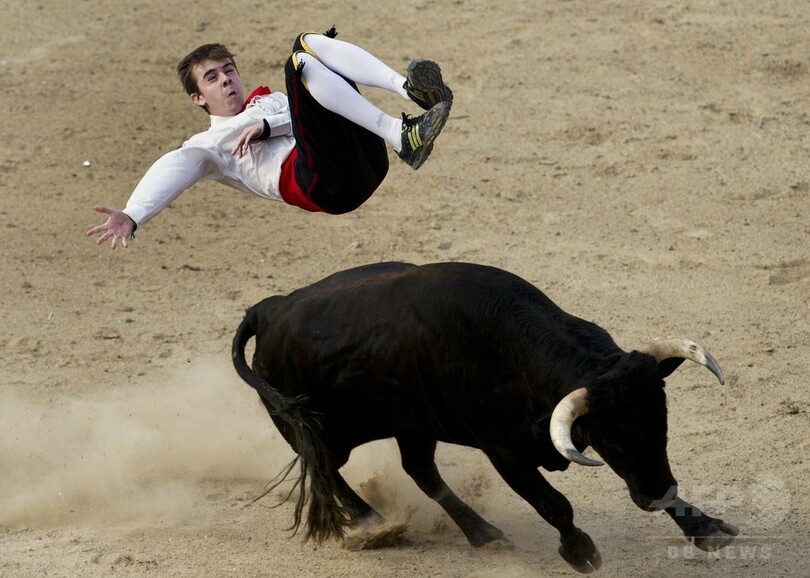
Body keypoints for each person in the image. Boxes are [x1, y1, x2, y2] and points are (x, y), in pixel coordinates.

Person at [86, 27, 453, 249]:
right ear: (197, 98)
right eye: (212, 78)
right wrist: (134, 214)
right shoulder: (213, 145)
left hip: (366, 158)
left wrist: (266, 127)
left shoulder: (271, 101)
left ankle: (410, 93)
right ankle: (399, 134)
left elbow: (300, 117)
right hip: (327, 186)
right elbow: (175, 165)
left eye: (228, 70)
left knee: (309, 44)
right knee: (299, 63)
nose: (226, 79)